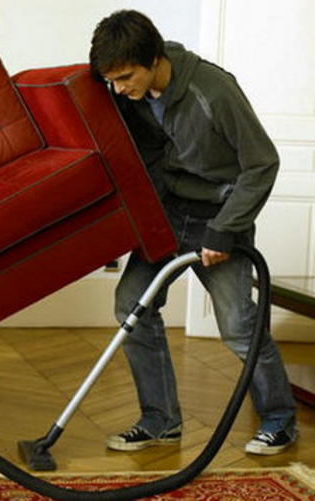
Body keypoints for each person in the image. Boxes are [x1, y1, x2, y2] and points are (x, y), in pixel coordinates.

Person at [88, 10, 297, 455]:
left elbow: (262, 163)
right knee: (132, 307)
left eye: (125, 77)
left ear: (153, 58)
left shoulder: (213, 90)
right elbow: (140, 157)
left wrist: (224, 231)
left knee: (238, 326)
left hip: (218, 218)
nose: (118, 88)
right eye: (111, 80)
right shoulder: (130, 96)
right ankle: (160, 420)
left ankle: (279, 419)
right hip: (166, 214)